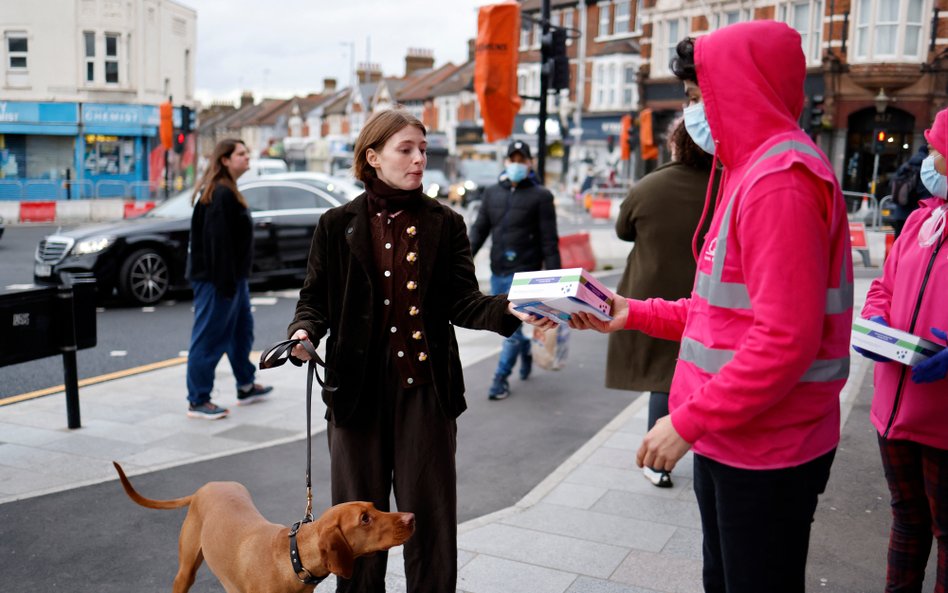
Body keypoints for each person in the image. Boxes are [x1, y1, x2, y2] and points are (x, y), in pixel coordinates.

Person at [560, 22, 853, 592]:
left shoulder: (778, 182)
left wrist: (687, 421)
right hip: (737, 436)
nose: (693, 113)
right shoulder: (750, 171)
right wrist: (631, 311)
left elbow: (784, 340)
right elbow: (719, 312)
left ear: (741, 88)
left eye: (699, 96)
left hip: (766, 448)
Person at [286, 109, 523, 593]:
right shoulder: (336, 225)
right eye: (406, 150)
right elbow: (314, 299)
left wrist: (512, 309)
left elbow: (463, 300)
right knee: (354, 527)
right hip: (355, 396)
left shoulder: (446, 223)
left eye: (423, 150)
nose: (419, 160)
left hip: (426, 396)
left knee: (430, 521)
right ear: (372, 157)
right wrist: (303, 332)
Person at [856, 107, 948, 593]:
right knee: (907, 520)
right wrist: (875, 320)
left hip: (942, 418)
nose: (928, 161)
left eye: (937, 152)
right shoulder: (918, 222)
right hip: (893, 407)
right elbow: (884, 289)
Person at [606, 118, 717, 489]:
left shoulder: (648, 186)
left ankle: (658, 463)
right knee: (700, 368)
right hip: (704, 290)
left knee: (662, 377)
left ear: (675, 145)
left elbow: (623, 230)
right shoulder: (723, 188)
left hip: (652, 288)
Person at [185, 138, 272, 420]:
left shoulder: (228, 190)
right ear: (225, 160)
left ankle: (245, 385)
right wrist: (224, 285)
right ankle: (198, 400)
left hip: (233, 279)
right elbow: (216, 245)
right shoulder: (219, 194)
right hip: (217, 280)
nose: (248, 157)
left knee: (240, 333)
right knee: (209, 338)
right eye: (241, 154)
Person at [468, 140, 561, 400]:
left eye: (522, 159)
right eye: (513, 159)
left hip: (526, 276)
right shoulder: (491, 193)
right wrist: (462, 261)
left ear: (529, 163)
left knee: (511, 330)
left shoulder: (541, 196)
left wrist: (559, 288)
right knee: (510, 327)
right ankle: (526, 354)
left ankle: (499, 380)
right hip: (499, 270)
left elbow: (549, 242)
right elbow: (479, 231)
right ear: (506, 162)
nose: (517, 164)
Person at [887, 144, 931, 238]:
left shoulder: (906, 165)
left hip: (899, 211)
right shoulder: (926, 167)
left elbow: (892, 183)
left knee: (898, 241)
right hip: (914, 214)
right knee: (910, 242)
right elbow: (925, 193)